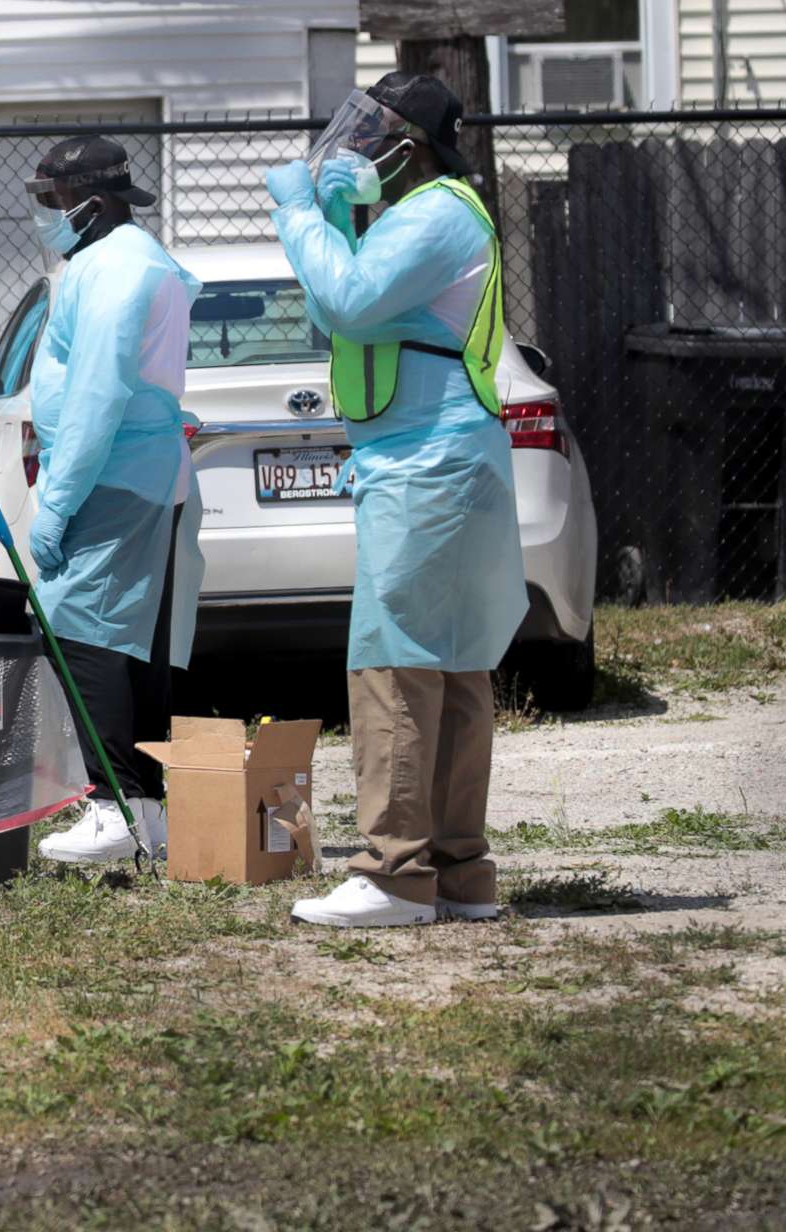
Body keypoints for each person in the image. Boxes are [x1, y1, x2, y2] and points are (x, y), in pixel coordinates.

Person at [264, 71, 526, 929]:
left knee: (392, 667)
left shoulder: (436, 212)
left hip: (429, 466)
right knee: (450, 666)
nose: (357, 145)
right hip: (429, 456)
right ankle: (457, 873)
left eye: (374, 131)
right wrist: (336, 222)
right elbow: (343, 307)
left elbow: (346, 299)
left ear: (410, 148)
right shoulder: (428, 213)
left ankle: (394, 874)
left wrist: (302, 213)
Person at [15, 136, 205, 867]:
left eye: (55, 201)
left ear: (92, 203)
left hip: (112, 476)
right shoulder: (125, 260)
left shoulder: (117, 271)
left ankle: (111, 807)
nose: (48, 214)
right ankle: (147, 816)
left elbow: (97, 395)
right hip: (137, 471)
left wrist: (58, 503)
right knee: (132, 646)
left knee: (83, 638)